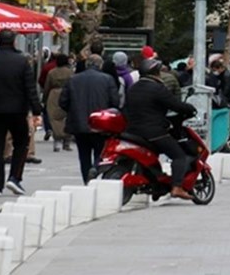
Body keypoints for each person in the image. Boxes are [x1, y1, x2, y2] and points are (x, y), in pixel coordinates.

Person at [123, 58, 197, 200]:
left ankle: (156, 184)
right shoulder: (157, 88)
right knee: (178, 155)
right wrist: (190, 109)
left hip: (132, 131)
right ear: (157, 73)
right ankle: (177, 187)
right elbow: (175, 104)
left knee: (152, 155)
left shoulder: (133, 87)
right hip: (153, 131)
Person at [0, 30, 42, 196]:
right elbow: (30, 88)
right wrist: (36, 111)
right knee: (21, 143)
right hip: (17, 111)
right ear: (14, 42)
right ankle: (14, 177)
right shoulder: (22, 62)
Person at [59, 54, 119, 183]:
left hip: (79, 123)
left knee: (83, 155)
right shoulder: (107, 79)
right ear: (100, 65)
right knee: (100, 151)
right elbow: (115, 102)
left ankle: (87, 180)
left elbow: (63, 101)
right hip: (100, 123)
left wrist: (73, 111)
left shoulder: (73, 79)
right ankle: (96, 170)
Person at [44, 54, 74, 153]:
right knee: (67, 118)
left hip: (54, 95)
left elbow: (47, 86)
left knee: (55, 119)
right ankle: (67, 142)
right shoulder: (70, 72)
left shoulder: (51, 73)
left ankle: (57, 141)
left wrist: (44, 99)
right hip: (67, 94)